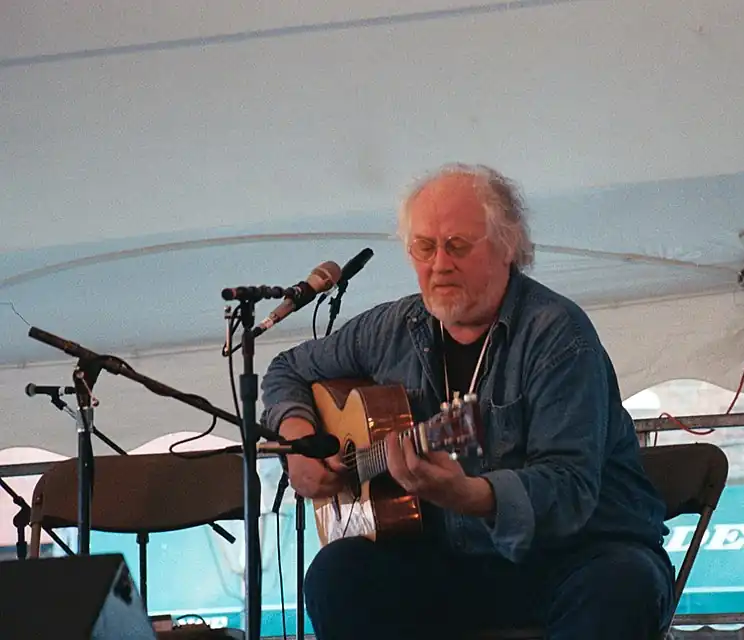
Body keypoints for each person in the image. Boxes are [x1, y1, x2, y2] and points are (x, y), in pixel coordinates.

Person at [260, 164, 675, 639]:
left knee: (623, 587)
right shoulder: (393, 328)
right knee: (338, 574)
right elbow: (287, 369)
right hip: (448, 559)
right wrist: (300, 438)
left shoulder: (559, 336)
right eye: (424, 247)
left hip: (575, 554)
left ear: (508, 246)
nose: (439, 264)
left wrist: (471, 495)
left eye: (457, 245)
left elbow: (569, 489)